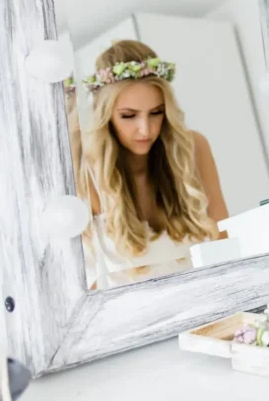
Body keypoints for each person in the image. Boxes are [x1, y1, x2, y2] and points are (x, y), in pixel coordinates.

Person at [68, 40, 228, 289]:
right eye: (129, 116)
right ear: (106, 114)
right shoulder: (86, 169)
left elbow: (224, 244)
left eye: (156, 112)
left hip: (206, 304)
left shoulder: (193, 148)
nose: (146, 129)